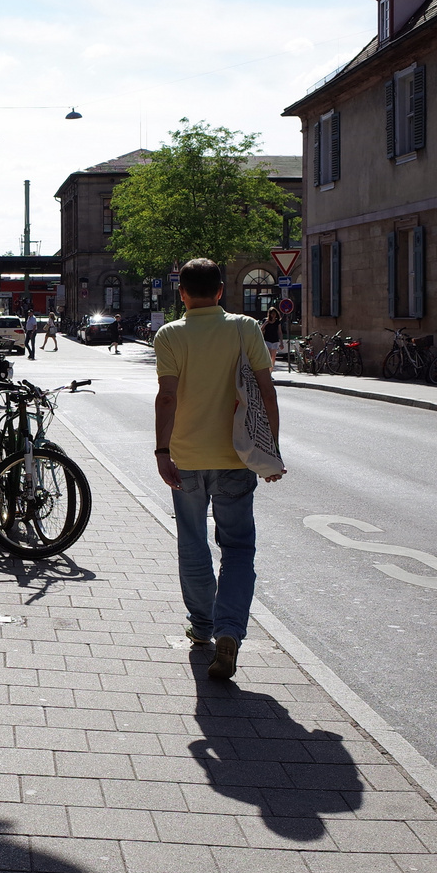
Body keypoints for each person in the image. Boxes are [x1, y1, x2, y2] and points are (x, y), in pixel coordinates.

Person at [153, 259, 283, 680]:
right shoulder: (245, 327)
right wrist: (270, 452)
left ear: (182, 293)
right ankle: (230, 631)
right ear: (222, 291)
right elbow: (265, 390)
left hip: (187, 457)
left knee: (192, 543)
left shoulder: (170, 334)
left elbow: (167, 398)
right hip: (237, 458)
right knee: (239, 547)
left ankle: (204, 627)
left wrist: (161, 451)